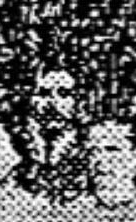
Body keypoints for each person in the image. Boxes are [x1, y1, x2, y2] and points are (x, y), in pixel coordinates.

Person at [23, 69, 88, 201]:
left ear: (80, 102)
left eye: (63, 94)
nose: (52, 103)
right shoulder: (18, 151)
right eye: (43, 94)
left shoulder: (88, 152)